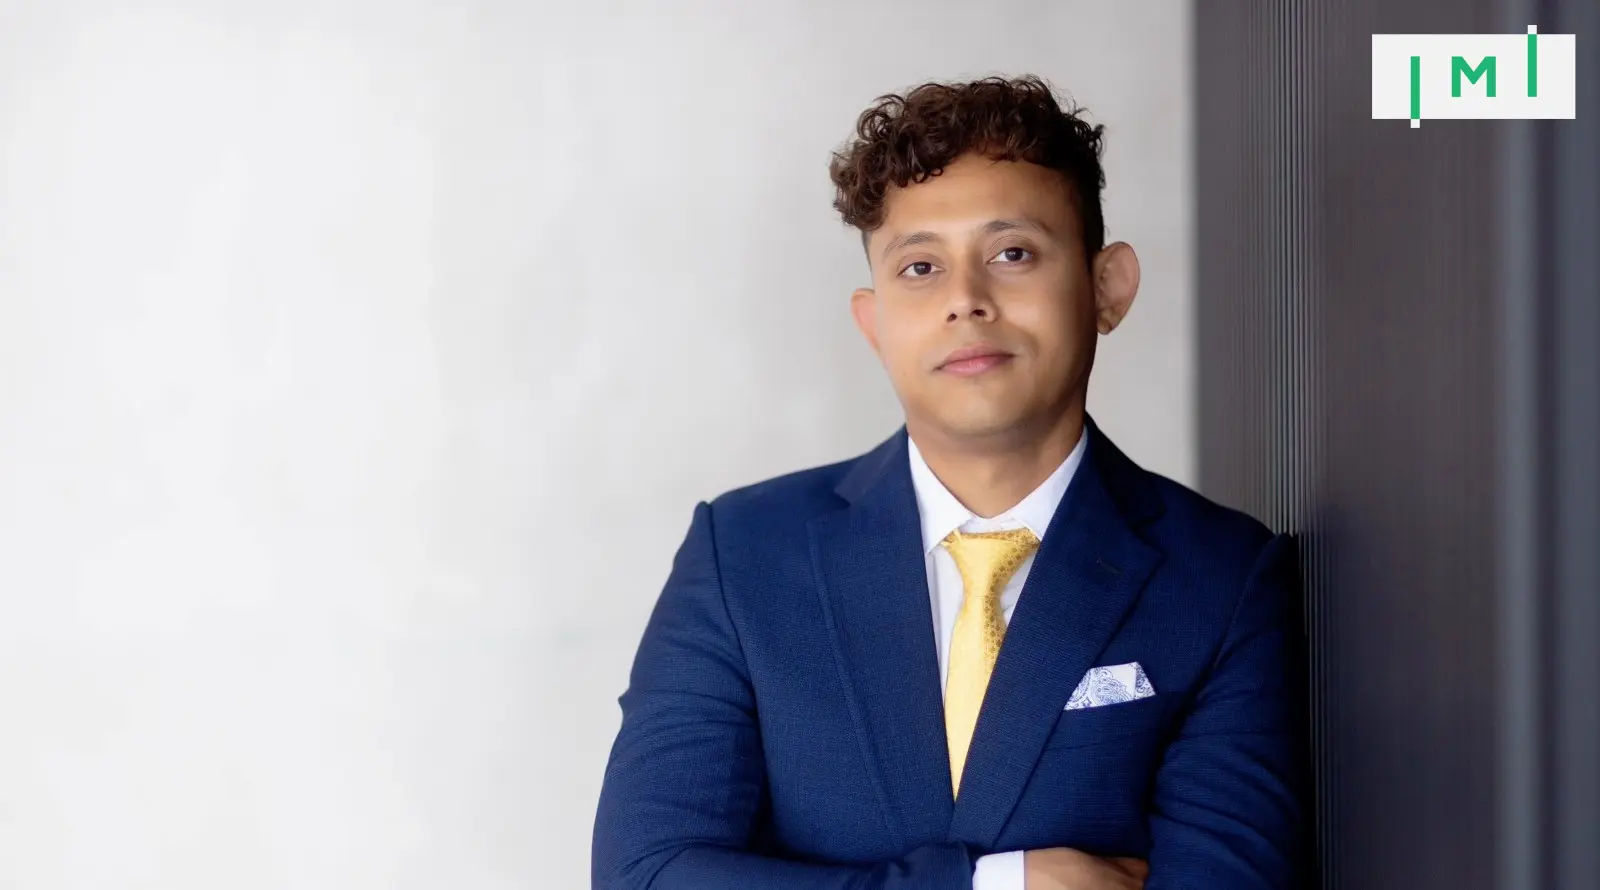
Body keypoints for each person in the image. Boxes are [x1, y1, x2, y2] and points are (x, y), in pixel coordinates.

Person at [591, 75, 1305, 890]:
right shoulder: (744, 556)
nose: (965, 300)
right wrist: (994, 885)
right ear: (875, 323)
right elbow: (646, 875)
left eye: (1012, 254)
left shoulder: (1222, 578)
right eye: (921, 266)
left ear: (1106, 288)